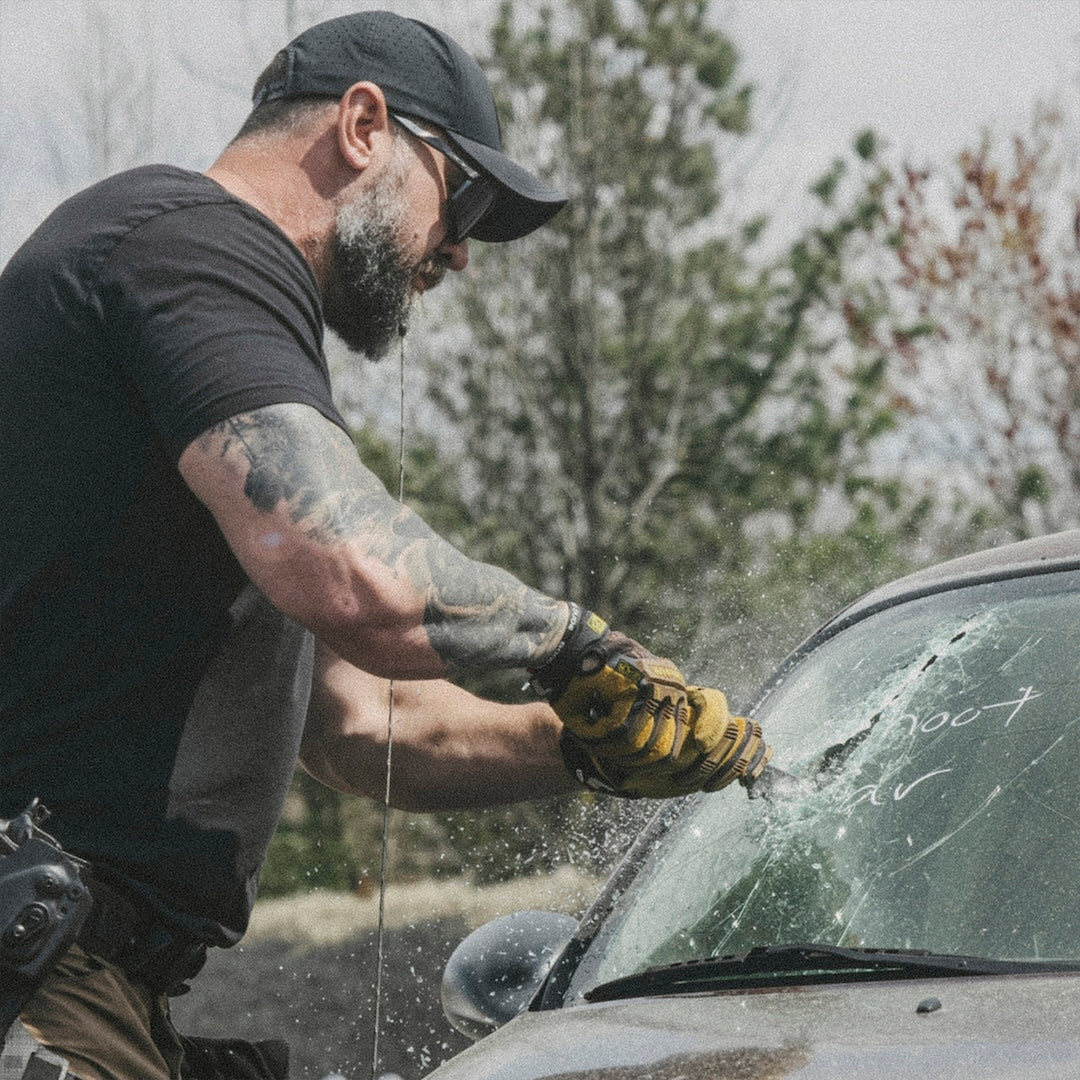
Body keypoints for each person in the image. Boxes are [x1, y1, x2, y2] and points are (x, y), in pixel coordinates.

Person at [0, 11, 771, 1079]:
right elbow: (349, 569)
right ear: (365, 125)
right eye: (463, 199)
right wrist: (580, 648)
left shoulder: (216, 365)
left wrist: (592, 742)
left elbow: (369, 724)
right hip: (39, 958)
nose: (458, 250)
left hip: (80, 969)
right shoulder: (190, 246)